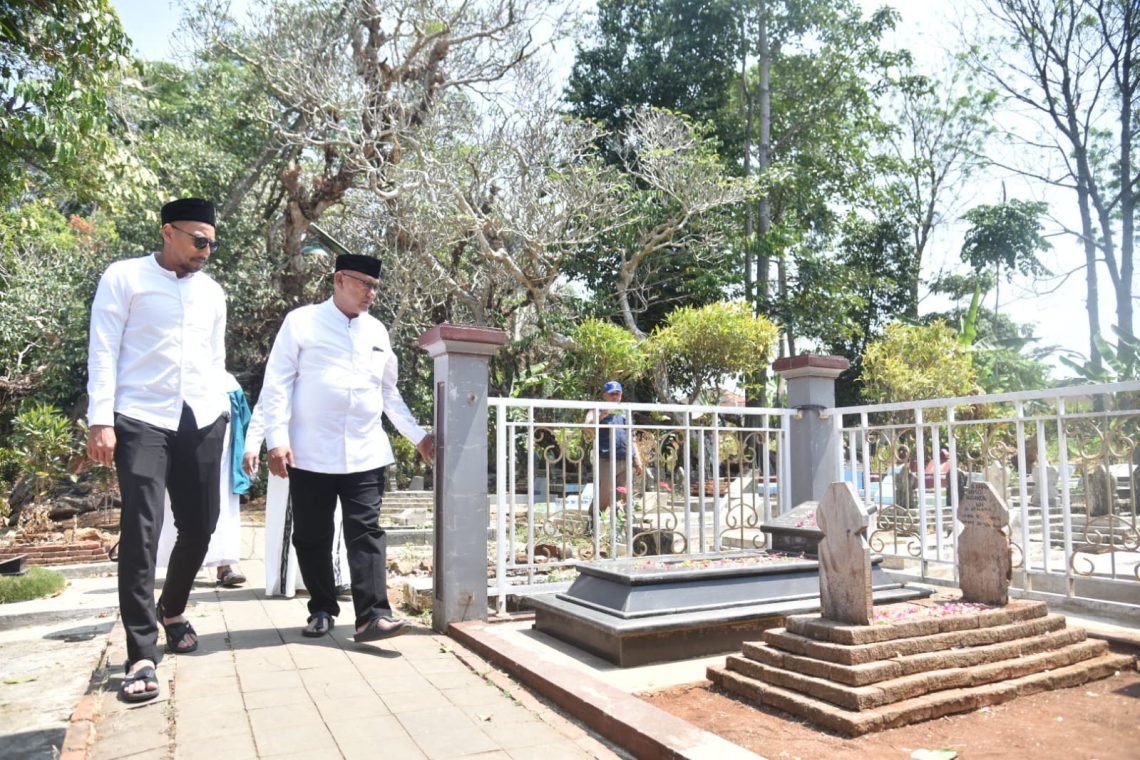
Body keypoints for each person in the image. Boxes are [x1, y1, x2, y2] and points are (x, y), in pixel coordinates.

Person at [86, 198, 228, 703]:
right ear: (168, 232)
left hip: (202, 417)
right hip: (140, 416)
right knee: (142, 530)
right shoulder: (124, 277)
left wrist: (223, 411)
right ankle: (141, 653)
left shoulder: (213, 293)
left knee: (202, 527)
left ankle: (172, 607)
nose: (206, 251)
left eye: (212, 243)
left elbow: (216, 357)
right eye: (199, 240)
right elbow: (103, 348)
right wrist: (100, 418)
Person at [258, 253, 433, 642]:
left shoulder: (378, 332)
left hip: (366, 450)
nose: (371, 293)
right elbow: (277, 383)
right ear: (339, 280)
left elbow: (388, 393)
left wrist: (418, 436)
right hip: (310, 452)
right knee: (312, 536)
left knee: (366, 532)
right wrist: (277, 439)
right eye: (364, 284)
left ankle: (373, 616)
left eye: (376, 287)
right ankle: (322, 607)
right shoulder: (301, 322)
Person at [241, 402, 351, 598]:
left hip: (331, 453)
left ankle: (336, 578)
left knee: (334, 517)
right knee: (293, 520)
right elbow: (265, 408)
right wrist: (252, 447)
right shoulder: (282, 381)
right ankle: (292, 581)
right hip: (290, 453)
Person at [584, 380, 643, 514]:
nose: (615, 397)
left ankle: (619, 522)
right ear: (605, 395)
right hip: (606, 459)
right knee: (604, 492)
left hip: (625, 459)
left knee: (623, 494)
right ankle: (593, 519)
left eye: (618, 394)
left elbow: (631, 436)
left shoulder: (625, 411)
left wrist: (637, 460)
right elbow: (587, 427)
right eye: (612, 394)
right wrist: (602, 415)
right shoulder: (596, 409)